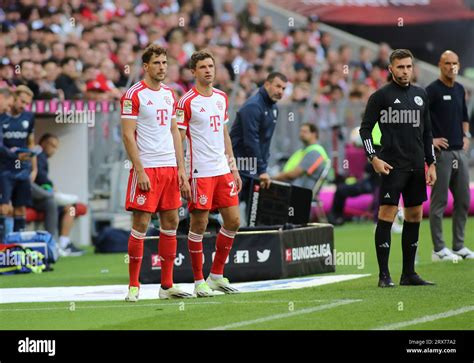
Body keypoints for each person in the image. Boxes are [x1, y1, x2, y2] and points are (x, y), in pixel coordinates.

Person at [359, 49, 437, 288]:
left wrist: (430, 163)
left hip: (416, 166)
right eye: (400, 67)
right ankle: (384, 275)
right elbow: (365, 130)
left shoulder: (420, 94)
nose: (405, 71)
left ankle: (409, 274)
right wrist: (373, 157)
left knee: (414, 215)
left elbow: (427, 133)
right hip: (392, 166)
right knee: (387, 216)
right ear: (390, 69)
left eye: (408, 66)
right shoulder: (380, 97)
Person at [121, 45, 193, 302]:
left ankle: (167, 285)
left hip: (169, 169)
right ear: (146, 67)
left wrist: (181, 168)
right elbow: (127, 135)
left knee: (171, 223)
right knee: (140, 224)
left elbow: (175, 131)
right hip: (147, 167)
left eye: (165, 62)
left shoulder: (170, 94)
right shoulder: (133, 94)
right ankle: (133, 285)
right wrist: (139, 169)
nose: (162, 67)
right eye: (157, 63)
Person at [176, 50, 242, 297]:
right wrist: (182, 172)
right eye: (203, 67)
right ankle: (197, 281)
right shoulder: (186, 101)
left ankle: (215, 275)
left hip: (222, 169)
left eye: (211, 66)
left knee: (234, 220)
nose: (208, 70)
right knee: (199, 224)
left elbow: (224, 134)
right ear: (193, 72)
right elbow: (179, 139)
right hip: (199, 171)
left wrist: (233, 166)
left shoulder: (221, 98)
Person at [426, 50, 474, 261]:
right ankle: (438, 249)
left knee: (463, 200)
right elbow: (421, 121)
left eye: (455, 63)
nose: (451, 67)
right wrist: (431, 141)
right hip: (441, 153)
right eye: (447, 63)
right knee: (439, 202)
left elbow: (465, 116)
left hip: (459, 152)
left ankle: (459, 245)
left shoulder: (460, 89)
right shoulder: (431, 91)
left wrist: (466, 135)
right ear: (440, 64)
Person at [230, 71, 287, 213]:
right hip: (239, 165)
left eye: (283, 88)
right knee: (231, 210)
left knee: (253, 211)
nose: (280, 91)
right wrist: (261, 170)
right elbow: (251, 141)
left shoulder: (273, 108)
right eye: (277, 86)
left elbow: (265, 142)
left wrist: (262, 167)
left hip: (254, 167)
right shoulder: (253, 106)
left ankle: (250, 235)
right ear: (267, 84)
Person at [32, 133, 85, 256]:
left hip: (44, 196)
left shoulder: (42, 158)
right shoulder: (38, 156)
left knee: (70, 208)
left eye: (56, 147)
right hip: (37, 198)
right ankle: (58, 243)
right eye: (52, 145)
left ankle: (64, 242)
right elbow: (40, 178)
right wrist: (52, 188)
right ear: (44, 144)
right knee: (67, 206)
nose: (54, 150)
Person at [0, 85, 37, 242]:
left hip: (22, 168)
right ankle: (4, 245)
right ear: (14, 98)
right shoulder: (2, 117)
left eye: (26, 103)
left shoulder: (29, 117)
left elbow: (30, 143)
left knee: (21, 206)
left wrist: (34, 168)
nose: (23, 105)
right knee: (5, 206)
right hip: (4, 168)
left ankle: (18, 245)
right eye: (21, 101)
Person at [273, 123, 329, 190]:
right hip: (293, 185)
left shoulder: (315, 152)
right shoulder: (304, 150)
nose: (301, 134)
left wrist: (275, 177)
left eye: (305, 132)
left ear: (314, 134)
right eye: (301, 131)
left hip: (299, 189)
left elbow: (295, 174)